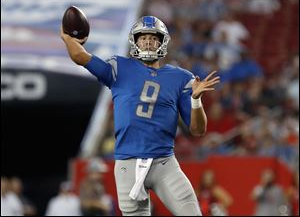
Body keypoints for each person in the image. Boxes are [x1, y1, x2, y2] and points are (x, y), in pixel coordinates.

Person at [61, 15, 220, 216]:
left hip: (164, 163)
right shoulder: (119, 68)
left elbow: (198, 130)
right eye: (143, 37)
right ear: (135, 41)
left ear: (162, 43)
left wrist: (196, 100)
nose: (148, 42)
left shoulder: (181, 78)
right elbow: (81, 57)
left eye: (153, 38)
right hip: (128, 163)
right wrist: (68, 38)